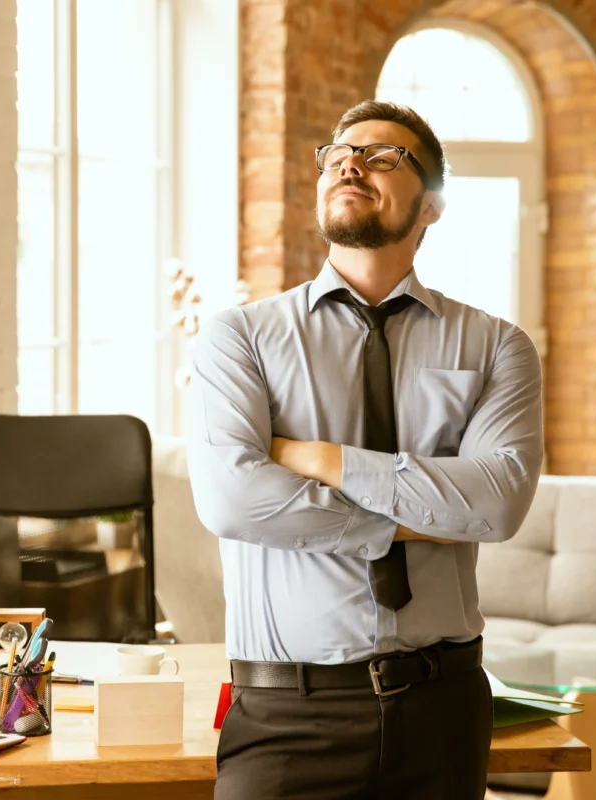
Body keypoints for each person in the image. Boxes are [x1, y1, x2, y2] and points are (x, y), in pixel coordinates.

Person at [185, 100, 544, 799]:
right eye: (337, 153)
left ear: (432, 206)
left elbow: (498, 505)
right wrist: (417, 518)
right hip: (289, 715)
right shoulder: (240, 339)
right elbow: (233, 500)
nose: (349, 162)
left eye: (384, 156)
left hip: (444, 706)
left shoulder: (498, 346)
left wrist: (321, 460)